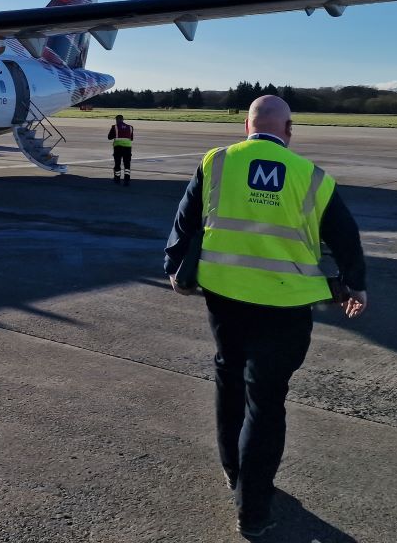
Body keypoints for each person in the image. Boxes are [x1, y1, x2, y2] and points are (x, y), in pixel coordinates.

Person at [164, 95, 368, 538]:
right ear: (289, 130)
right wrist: (355, 283)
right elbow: (345, 236)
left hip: (225, 295)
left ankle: (232, 469)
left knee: (229, 374)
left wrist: (175, 267)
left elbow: (185, 219)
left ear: (246, 125)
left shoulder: (216, 162)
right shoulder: (313, 177)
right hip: (286, 304)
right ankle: (253, 509)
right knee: (267, 400)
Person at [107, 114, 134, 185]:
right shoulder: (130, 127)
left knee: (117, 164)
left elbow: (109, 137)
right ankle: (127, 180)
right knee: (127, 165)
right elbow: (131, 138)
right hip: (128, 148)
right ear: (123, 119)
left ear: (116, 120)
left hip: (118, 147)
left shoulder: (114, 127)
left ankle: (117, 179)